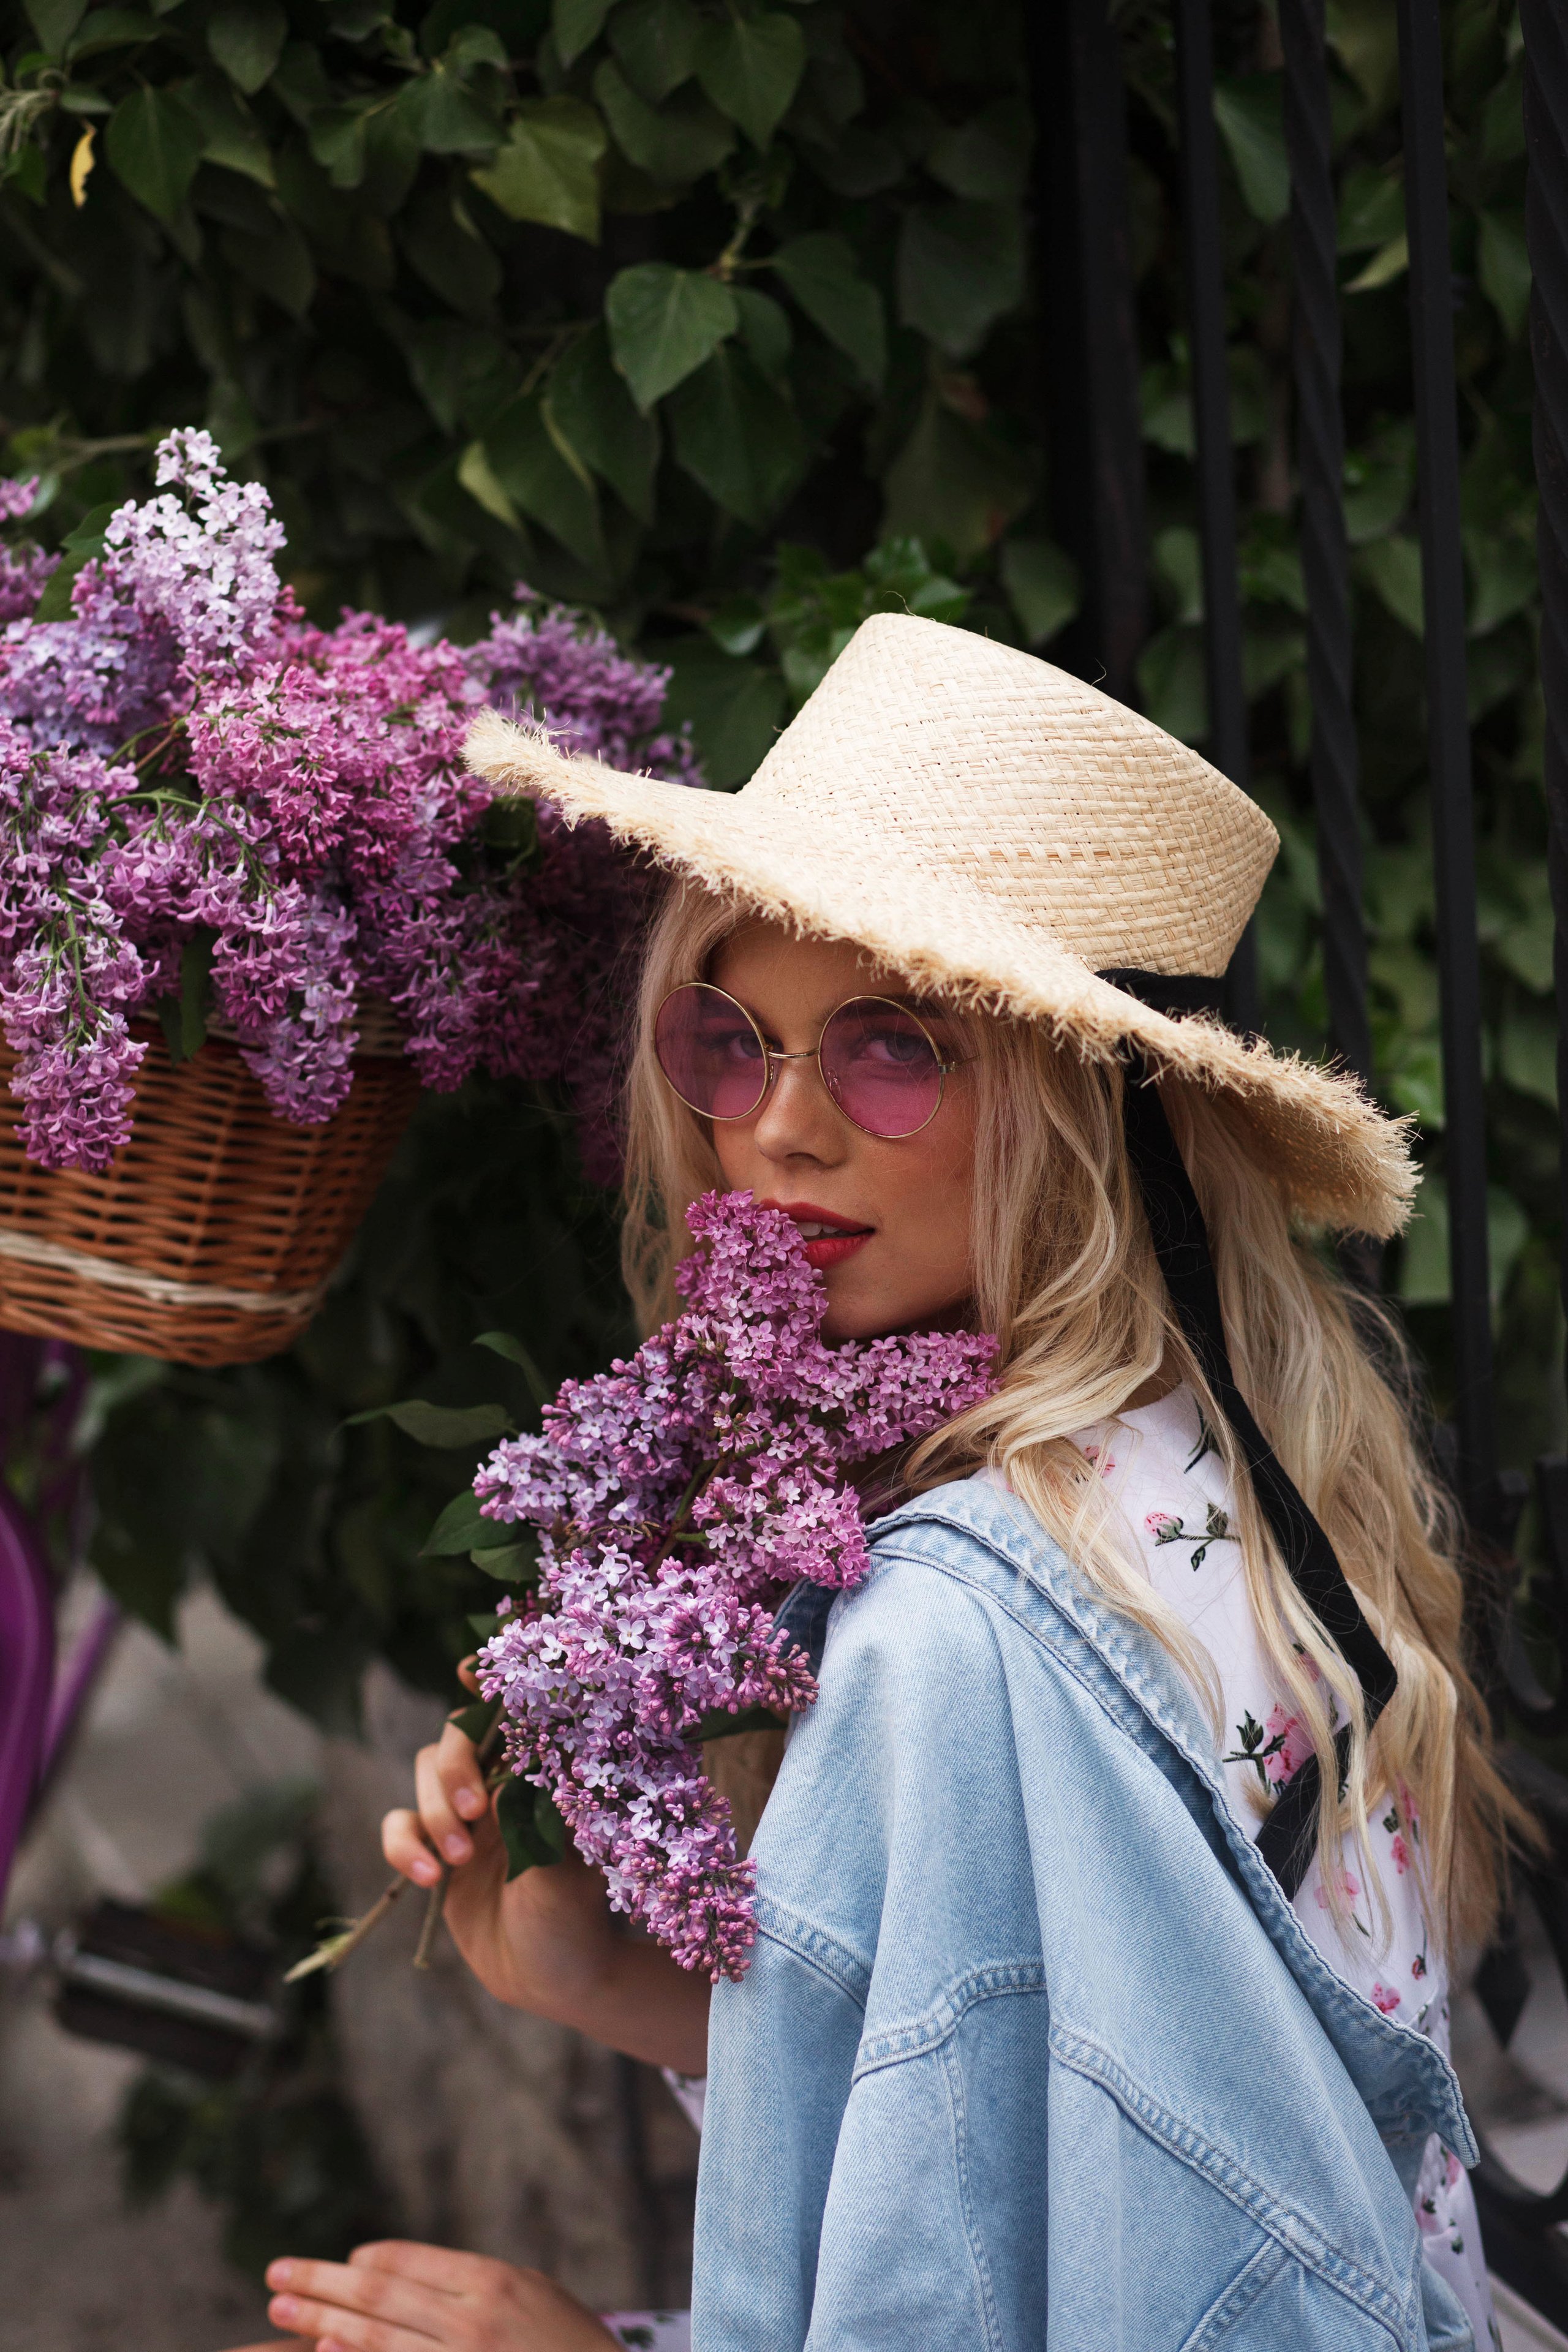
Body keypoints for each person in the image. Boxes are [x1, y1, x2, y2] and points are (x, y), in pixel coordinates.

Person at [247, 616, 1527, 2351]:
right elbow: (1050, 2089)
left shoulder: (945, 1622)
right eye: (727, 1040)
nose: (778, 1127)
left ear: (1089, 1114)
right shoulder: (1209, 1469)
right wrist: (604, 1980)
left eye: (890, 1049)